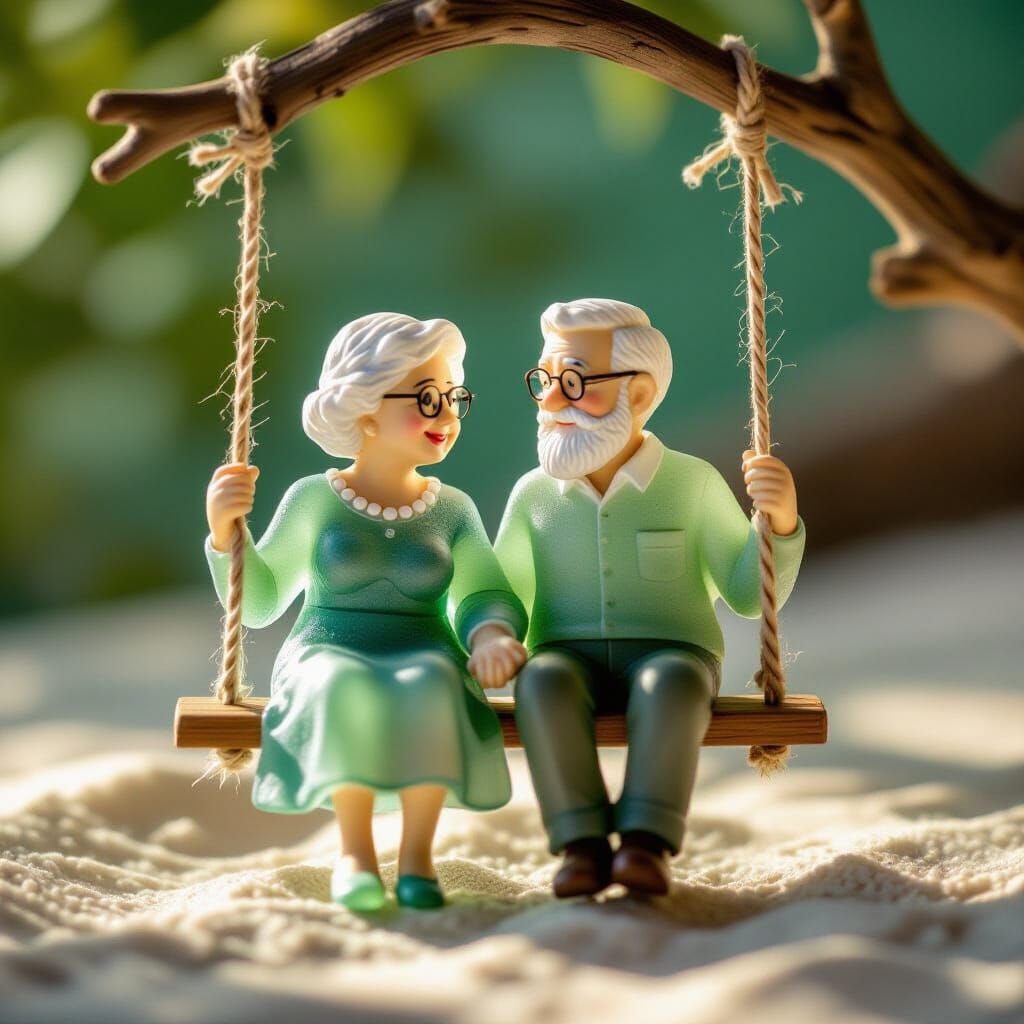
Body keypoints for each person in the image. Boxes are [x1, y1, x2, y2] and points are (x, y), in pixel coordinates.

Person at [205, 313, 527, 911]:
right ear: (366, 406)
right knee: (337, 682)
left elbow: (485, 590)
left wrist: (489, 634)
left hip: (425, 645)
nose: (447, 417)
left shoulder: (451, 509)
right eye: (428, 400)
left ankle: (417, 857)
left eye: (454, 399)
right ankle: (354, 852)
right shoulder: (314, 499)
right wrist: (227, 536)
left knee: (434, 681)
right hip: (327, 643)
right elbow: (262, 598)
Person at [495, 298, 806, 898]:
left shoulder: (691, 483)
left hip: (674, 652)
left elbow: (747, 594)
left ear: (637, 396)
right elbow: (502, 589)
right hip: (566, 653)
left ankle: (645, 841)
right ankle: (580, 843)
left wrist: (782, 522)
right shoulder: (535, 496)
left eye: (575, 383)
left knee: (670, 686)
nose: (553, 400)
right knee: (541, 682)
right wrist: (494, 633)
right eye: (546, 382)